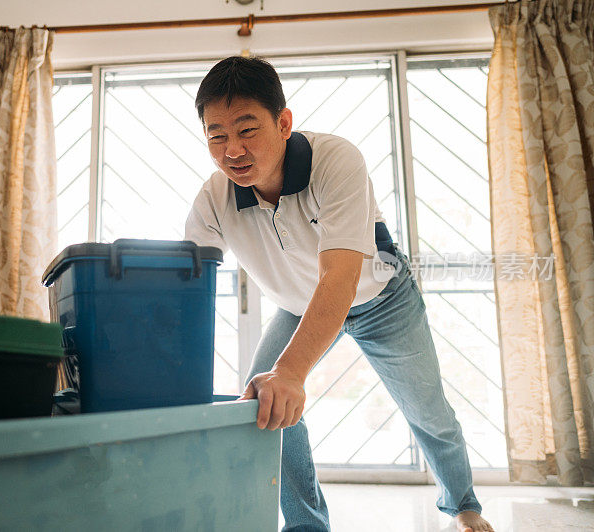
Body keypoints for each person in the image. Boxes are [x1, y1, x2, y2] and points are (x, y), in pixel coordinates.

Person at [184, 56, 494, 532]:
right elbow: (186, 285)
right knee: (262, 403)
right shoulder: (214, 198)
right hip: (299, 307)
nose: (232, 150)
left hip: (380, 298)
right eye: (216, 135)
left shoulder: (336, 159)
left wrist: (290, 372)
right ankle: (307, 525)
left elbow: (340, 279)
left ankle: (464, 507)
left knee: (427, 409)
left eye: (247, 129)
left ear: (283, 123)